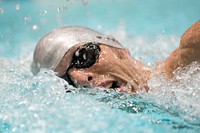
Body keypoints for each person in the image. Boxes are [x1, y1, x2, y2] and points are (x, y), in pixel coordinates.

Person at [31, 20, 200, 94]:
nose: (81, 79)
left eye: (83, 57)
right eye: (67, 81)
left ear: (116, 46)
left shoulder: (192, 49)